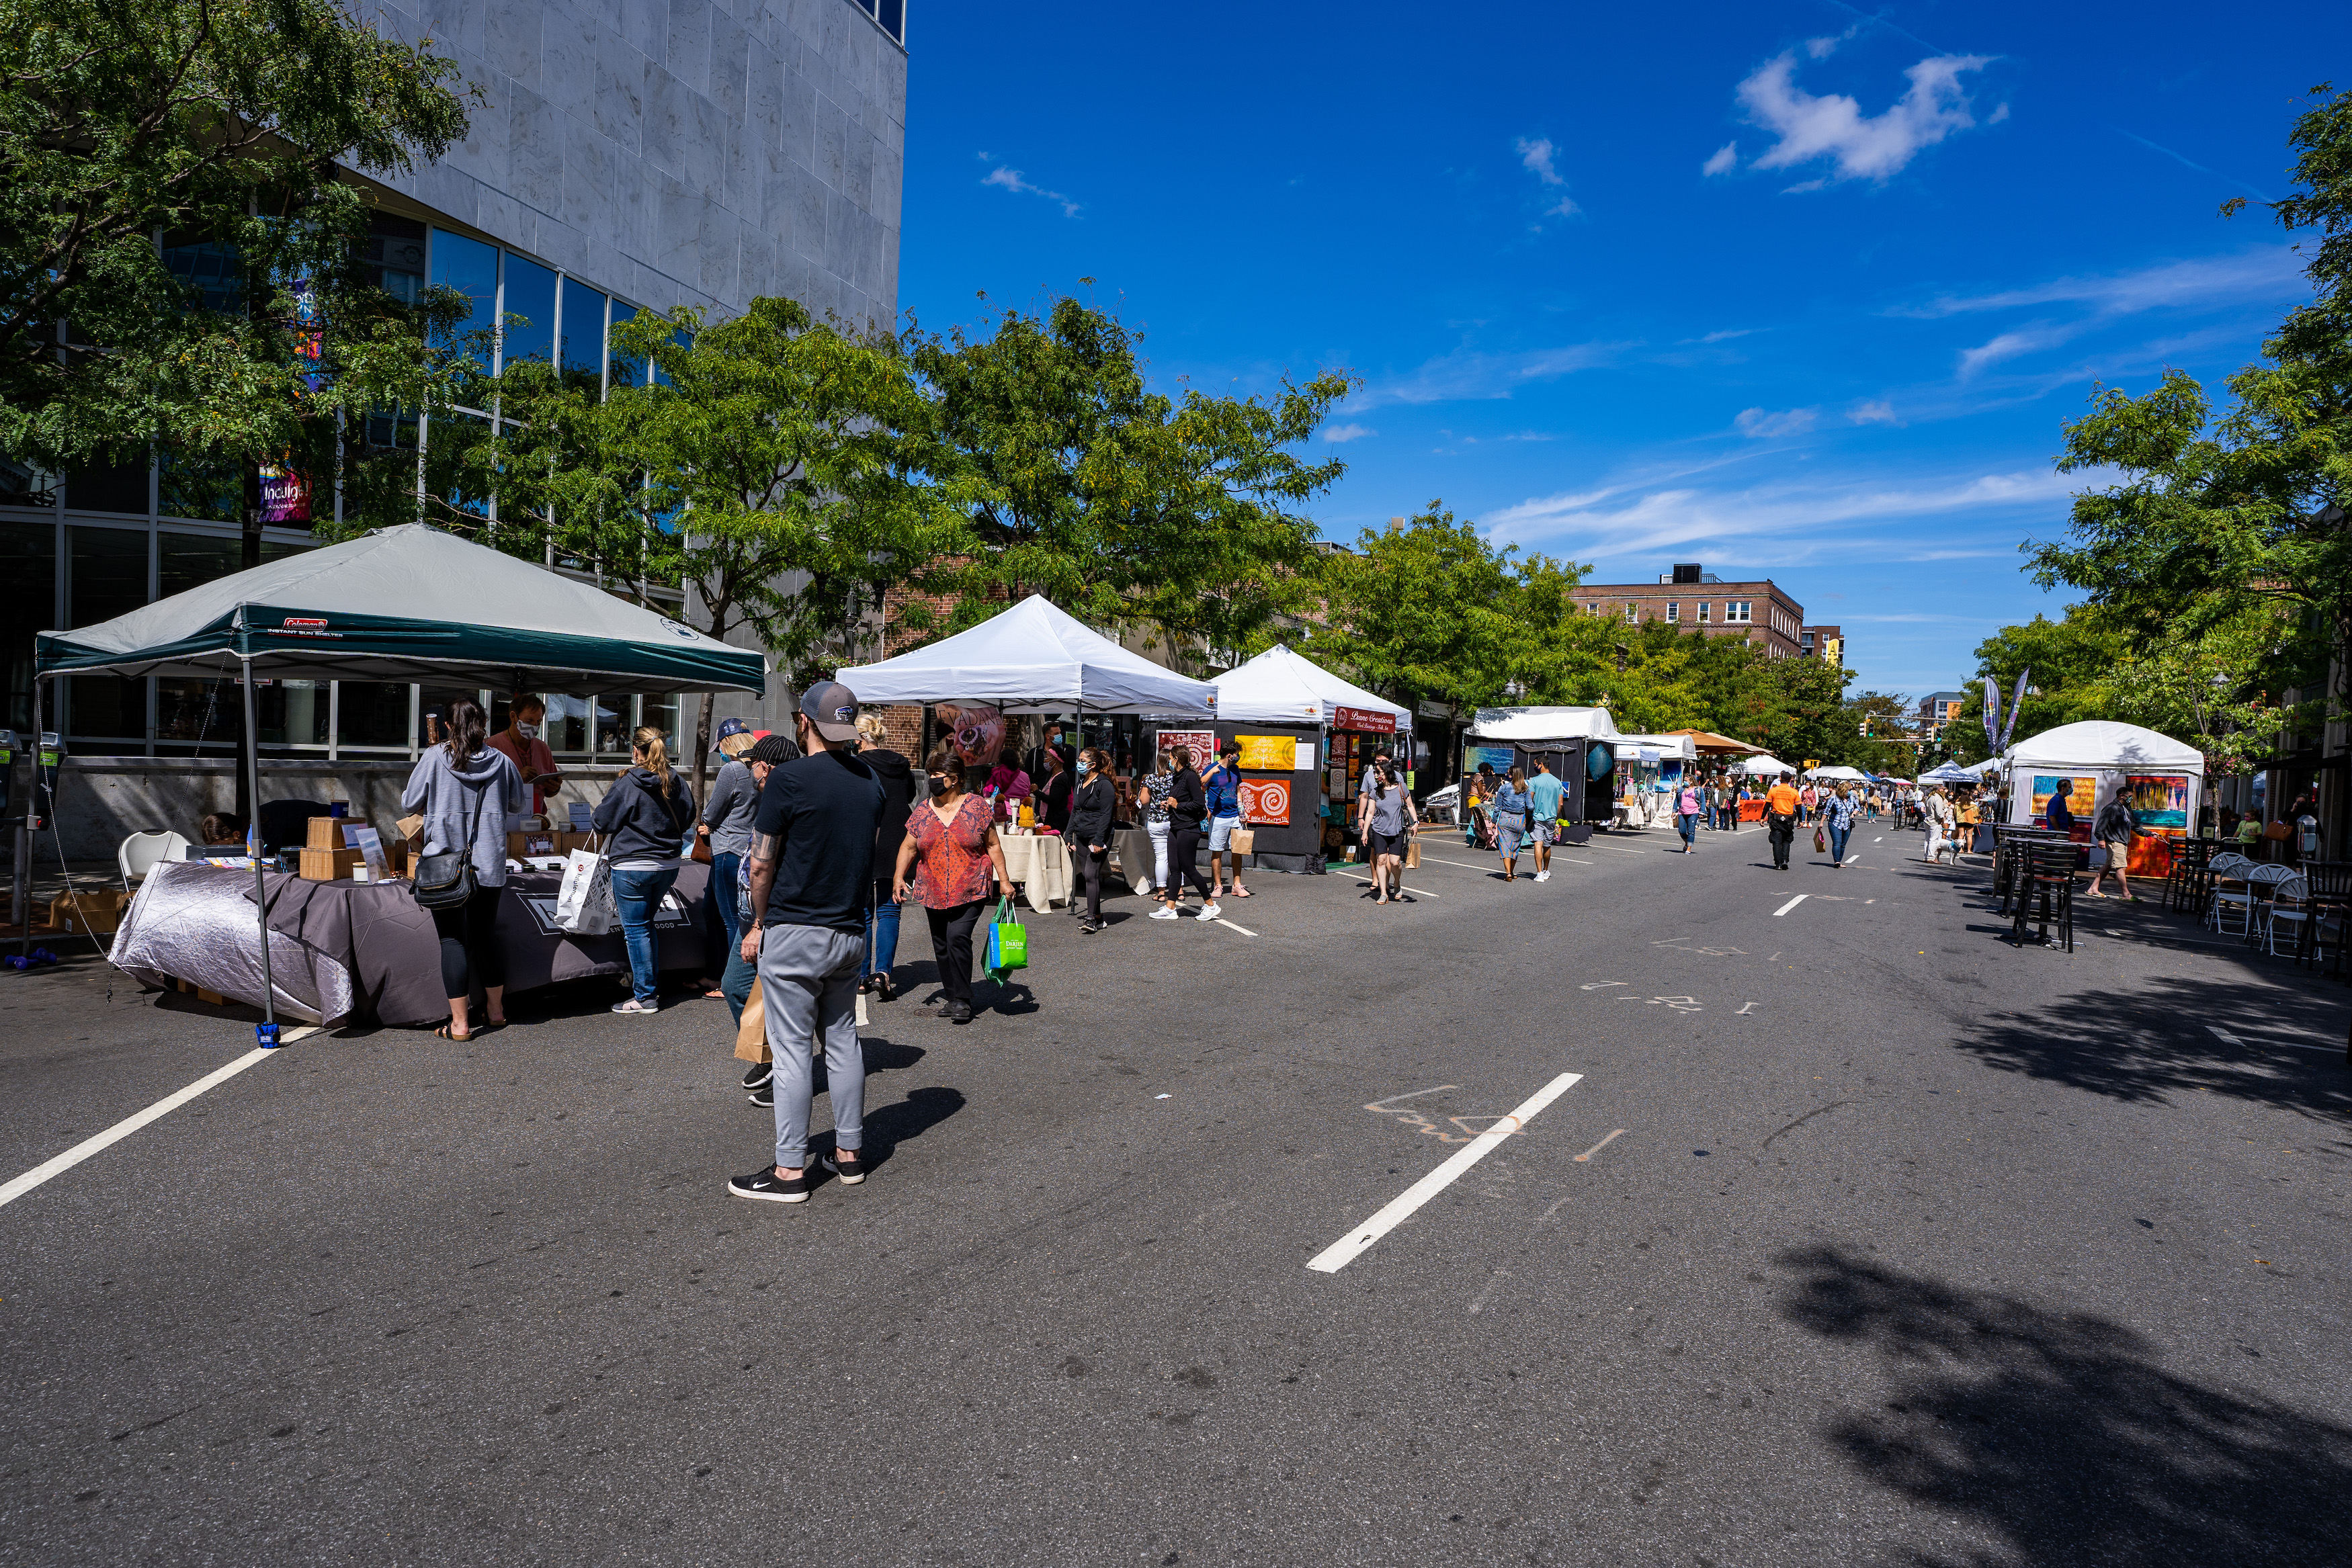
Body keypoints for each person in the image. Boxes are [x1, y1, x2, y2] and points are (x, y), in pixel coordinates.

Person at [728, 683, 888, 1204]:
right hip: (849, 931)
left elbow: (761, 862)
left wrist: (760, 920)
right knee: (842, 1041)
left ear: (803, 721)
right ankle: (849, 1154)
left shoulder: (789, 778)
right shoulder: (870, 781)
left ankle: (790, 1170)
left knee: (794, 1052)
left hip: (796, 930)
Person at [401, 697, 526, 1041]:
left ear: (447, 726)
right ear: (483, 724)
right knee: (485, 937)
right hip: (488, 865)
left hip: (445, 866)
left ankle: (460, 1024)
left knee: (453, 939)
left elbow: (409, 803)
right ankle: (496, 1012)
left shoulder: (434, 757)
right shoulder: (502, 761)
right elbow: (518, 804)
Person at [895, 747, 1011, 1022]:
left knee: (957, 936)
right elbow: (909, 847)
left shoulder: (977, 806)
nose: (932, 780)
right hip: (933, 888)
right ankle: (952, 996)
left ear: (954, 779)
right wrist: (898, 877)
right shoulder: (924, 810)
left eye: (937, 775)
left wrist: (1005, 881)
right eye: (930, 774)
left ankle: (962, 999)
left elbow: (993, 845)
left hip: (971, 886)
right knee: (941, 944)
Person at [591, 724, 696, 1015]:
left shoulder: (628, 782)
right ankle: (647, 988)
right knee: (645, 926)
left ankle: (646, 995)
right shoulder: (676, 780)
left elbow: (601, 822)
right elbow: (689, 815)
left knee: (637, 931)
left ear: (636, 751)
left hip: (633, 866)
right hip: (668, 864)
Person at [727, 733, 800, 1108]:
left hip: (770, 919)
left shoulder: (787, 802)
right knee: (736, 986)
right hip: (752, 916)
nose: (750, 771)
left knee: (781, 1001)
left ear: (766, 767)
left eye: (753, 764)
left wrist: (760, 924)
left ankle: (783, 1071)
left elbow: (764, 868)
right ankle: (768, 1055)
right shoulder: (769, 798)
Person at [694, 717, 762, 1000]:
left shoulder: (732, 769)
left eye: (720, 747)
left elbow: (711, 813)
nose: (720, 752)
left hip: (727, 849)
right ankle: (716, 973)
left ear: (726, 743)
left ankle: (734, 981)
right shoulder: (757, 768)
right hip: (746, 848)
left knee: (731, 919)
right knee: (712, 911)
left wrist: (707, 824)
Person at [855, 711, 917, 1000]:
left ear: (859, 739)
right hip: (897, 841)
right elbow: (909, 796)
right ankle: (883, 973)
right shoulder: (901, 764)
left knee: (863, 912)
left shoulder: (857, 765)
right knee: (890, 910)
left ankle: (861, 976)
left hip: (867, 838)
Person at [1158, 742, 1219, 920]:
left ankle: (1211, 904)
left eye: (1170, 758)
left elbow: (1199, 803)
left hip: (1188, 828)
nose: (1169, 762)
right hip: (1176, 826)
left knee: (1188, 868)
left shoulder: (1190, 776)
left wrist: (1178, 805)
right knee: (1175, 868)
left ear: (1176, 759)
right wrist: (1169, 806)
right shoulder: (1177, 777)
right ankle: (1170, 907)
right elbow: (1181, 801)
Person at [487, 694, 564, 819]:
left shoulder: (543, 748)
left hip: (536, 819)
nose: (534, 726)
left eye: (539, 722)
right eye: (529, 721)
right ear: (513, 717)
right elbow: (485, 790)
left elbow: (548, 792)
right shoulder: (491, 747)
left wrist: (554, 788)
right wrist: (517, 778)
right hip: (504, 820)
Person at [1068, 746, 1118, 934]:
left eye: (1082, 761)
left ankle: (1090, 919)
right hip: (1081, 835)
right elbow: (1075, 810)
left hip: (1099, 835)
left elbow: (1106, 815)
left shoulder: (1104, 785)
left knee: (1090, 875)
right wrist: (1068, 834)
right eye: (1078, 760)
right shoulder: (1081, 783)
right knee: (1089, 876)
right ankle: (1097, 917)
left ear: (1093, 764)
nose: (1079, 764)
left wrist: (1098, 841)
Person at [1204, 740, 1253, 900]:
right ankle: (1218, 885)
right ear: (1230, 755)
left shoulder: (1235, 769)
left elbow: (1238, 790)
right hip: (1218, 817)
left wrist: (1242, 811)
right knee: (1217, 852)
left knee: (1237, 850)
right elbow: (1201, 786)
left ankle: (1237, 885)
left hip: (1235, 817)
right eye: (1237, 755)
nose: (1239, 757)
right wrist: (1207, 811)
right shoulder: (1212, 769)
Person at [2087, 790, 2142, 901]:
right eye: (2130, 796)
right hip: (2115, 842)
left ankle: (2093, 888)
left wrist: (2149, 833)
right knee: (2121, 867)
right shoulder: (2111, 808)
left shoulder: (2127, 808)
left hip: (2122, 842)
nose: (2131, 798)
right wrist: (2101, 839)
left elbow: (2134, 825)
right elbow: (2100, 826)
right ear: (2122, 796)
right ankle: (2126, 894)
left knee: (2108, 865)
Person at [1138, 750, 1175, 896]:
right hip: (1174, 820)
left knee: (1161, 857)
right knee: (1176, 856)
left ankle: (1161, 891)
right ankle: (1179, 890)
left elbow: (1144, 800)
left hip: (1156, 821)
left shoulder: (1151, 778)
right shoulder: (1177, 778)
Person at [1525, 757, 1564, 880]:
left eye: (1535, 764)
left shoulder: (1534, 781)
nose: (1535, 767)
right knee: (1547, 845)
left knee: (1538, 843)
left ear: (1541, 764)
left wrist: (1527, 816)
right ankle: (1546, 870)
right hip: (1551, 818)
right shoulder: (1557, 782)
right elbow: (1560, 803)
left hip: (1537, 817)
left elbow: (1529, 800)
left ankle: (1539, 873)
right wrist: (1555, 816)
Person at [1492, 766, 1531, 882]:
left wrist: (1494, 821)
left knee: (1505, 846)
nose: (1506, 774)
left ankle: (1508, 873)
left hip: (1505, 819)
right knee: (1515, 847)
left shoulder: (1503, 788)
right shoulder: (1525, 789)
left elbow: (1497, 807)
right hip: (1519, 820)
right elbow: (1530, 806)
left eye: (1508, 773)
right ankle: (1512, 872)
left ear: (1512, 775)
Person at [1764, 774, 1801, 871]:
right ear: (1790, 780)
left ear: (1780, 779)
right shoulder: (1794, 792)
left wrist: (1762, 818)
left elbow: (1767, 805)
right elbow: (1799, 807)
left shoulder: (1773, 790)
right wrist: (1801, 821)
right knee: (1786, 841)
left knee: (1776, 842)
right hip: (1789, 820)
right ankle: (1785, 860)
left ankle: (1778, 864)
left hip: (1776, 819)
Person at [1037, 744, 1075, 834]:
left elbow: (1054, 800)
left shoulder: (1060, 779)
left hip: (1056, 822)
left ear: (1056, 760)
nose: (1045, 760)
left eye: (1047, 758)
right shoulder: (1053, 776)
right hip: (1049, 820)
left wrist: (1037, 792)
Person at [1822, 782, 1858, 868]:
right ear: (1844, 790)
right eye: (1849, 790)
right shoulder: (1834, 799)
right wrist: (1821, 822)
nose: (1850, 792)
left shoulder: (1852, 799)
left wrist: (1853, 814)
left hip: (1847, 824)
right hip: (1835, 823)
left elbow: (1858, 807)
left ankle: (1839, 860)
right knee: (1837, 843)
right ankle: (1837, 862)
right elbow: (1827, 811)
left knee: (1843, 844)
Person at [1674, 778, 1702, 853]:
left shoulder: (1697, 789)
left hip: (1693, 812)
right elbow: (1677, 800)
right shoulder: (1681, 789)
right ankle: (1687, 842)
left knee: (1691, 831)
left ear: (1691, 782)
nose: (1684, 782)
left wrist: (1702, 812)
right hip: (1682, 812)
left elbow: (1702, 800)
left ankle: (1689, 848)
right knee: (1682, 831)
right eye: (1684, 780)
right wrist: (1674, 810)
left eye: (1686, 781)